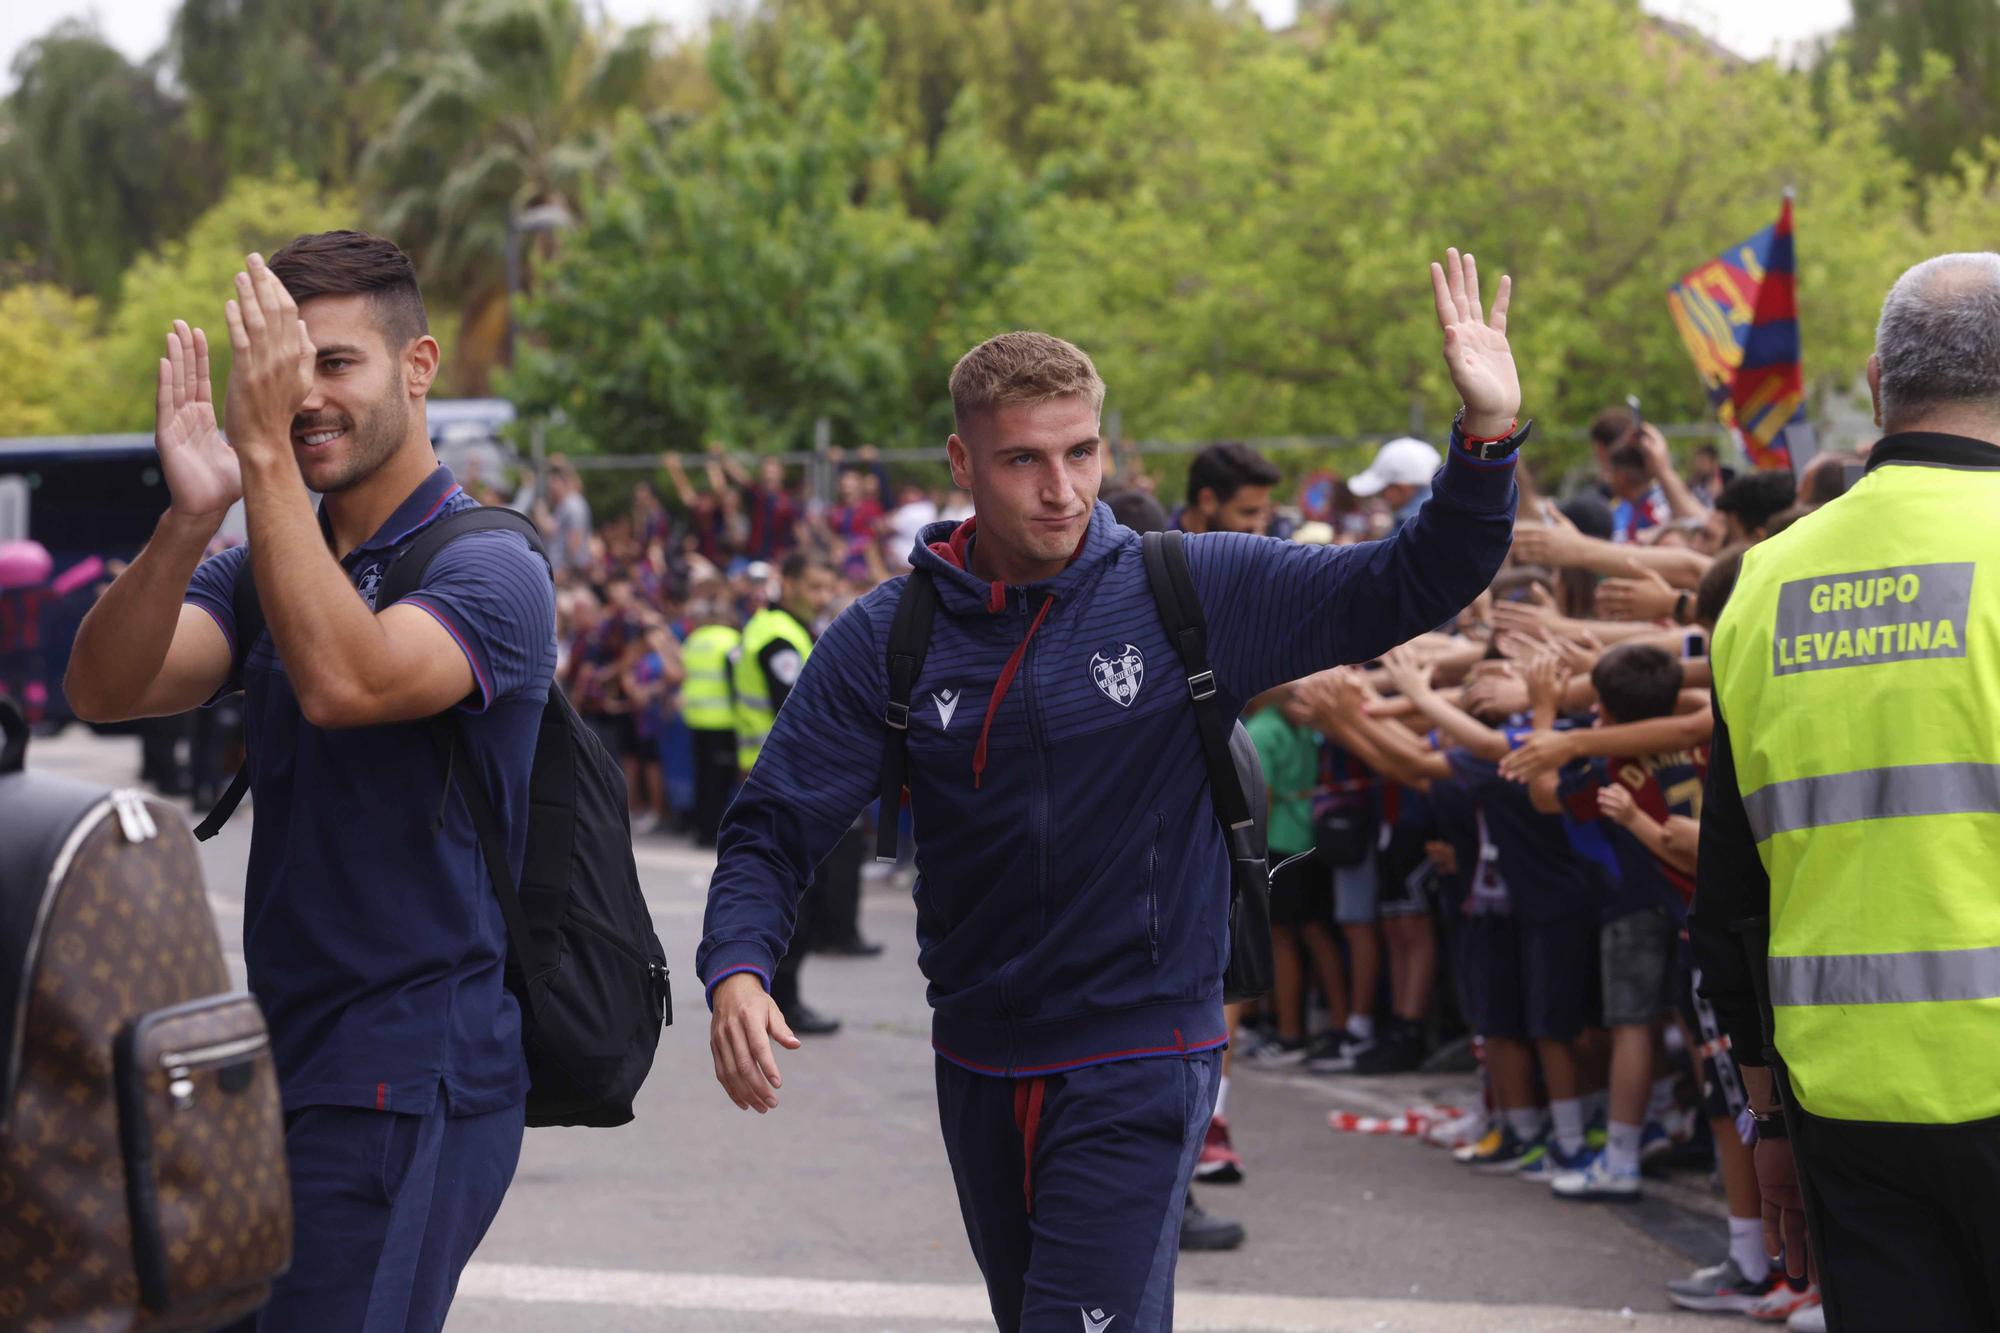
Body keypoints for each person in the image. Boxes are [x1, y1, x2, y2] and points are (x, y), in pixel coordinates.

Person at [699, 247, 1527, 1330]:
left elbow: (1409, 578)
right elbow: (773, 823)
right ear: (961, 462)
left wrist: (1484, 440)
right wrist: (737, 967)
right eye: (1022, 461)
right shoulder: (886, 636)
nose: (1060, 489)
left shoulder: (1192, 585)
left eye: (1081, 452)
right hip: (977, 1049)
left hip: (1142, 1045)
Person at [63, 231, 553, 1332]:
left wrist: (267, 467)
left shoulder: (493, 566)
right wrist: (194, 517)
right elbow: (106, 682)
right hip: (277, 1060)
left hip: (412, 1071)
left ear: (418, 366)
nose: (303, 398)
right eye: (283, 372)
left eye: (334, 364)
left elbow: (345, 679)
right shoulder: (263, 563)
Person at [1692, 252, 2000, 1332]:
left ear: (1874, 384)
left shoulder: (1762, 582)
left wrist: (1765, 1117)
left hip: (1840, 1102)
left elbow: (1728, 884)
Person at [732, 550, 842, 1035]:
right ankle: (785, 1002)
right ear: (789, 582)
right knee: (796, 898)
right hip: (783, 777)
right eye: (813, 587)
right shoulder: (779, 635)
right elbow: (797, 711)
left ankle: (784, 996)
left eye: (826, 588)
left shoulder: (781, 629)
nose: (821, 598)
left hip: (773, 772)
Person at [679, 596, 742, 847]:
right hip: (723, 720)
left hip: (696, 718)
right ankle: (712, 832)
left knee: (702, 778)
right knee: (720, 781)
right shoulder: (732, 641)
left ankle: (701, 829)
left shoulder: (694, 640)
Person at [1178, 441, 1279, 536]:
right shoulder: (1163, 550)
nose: (1258, 524)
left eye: (1264, 512)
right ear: (1207, 500)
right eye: (1249, 512)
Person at [1346, 436, 1443, 534]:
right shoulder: (1439, 512)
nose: (1383, 498)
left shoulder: (1411, 526)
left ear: (1403, 488)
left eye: (1383, 491)